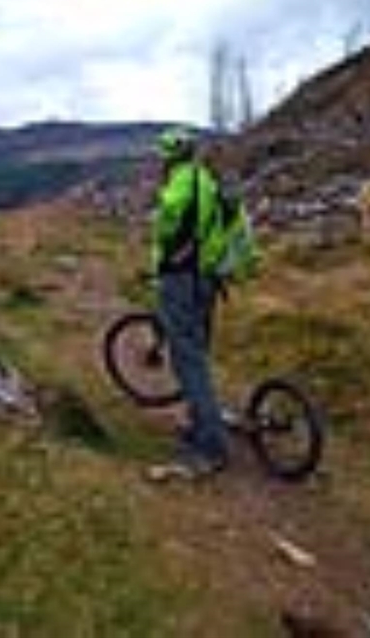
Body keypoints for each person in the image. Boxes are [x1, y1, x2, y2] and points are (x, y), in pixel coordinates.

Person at [144, 127, 229, 481]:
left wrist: (158, 217)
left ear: (170, 155)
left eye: (161, 155)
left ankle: (210, 448)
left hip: (182, 278)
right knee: (198, 353)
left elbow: (167, 221)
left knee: (189, 362)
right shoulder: (206, 178)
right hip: (207, 278)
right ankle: (200, 426)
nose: (158, 161)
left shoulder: (179, 183)